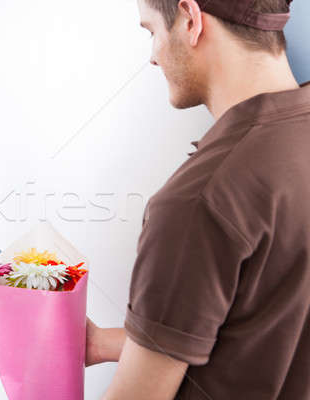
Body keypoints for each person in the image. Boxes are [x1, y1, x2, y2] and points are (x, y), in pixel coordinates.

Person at [85, 0, 310, 399]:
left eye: (151, 31)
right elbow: (262, 329)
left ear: (190, 19)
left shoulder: (197, 200)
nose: (152, 58)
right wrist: (103, 343)